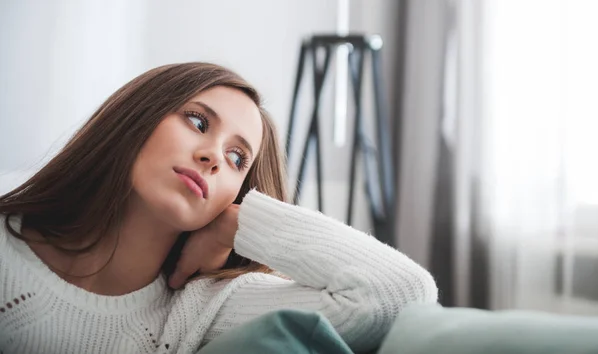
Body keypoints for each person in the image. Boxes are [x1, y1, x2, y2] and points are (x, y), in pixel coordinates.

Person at [0, 62, 438, 354]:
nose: (212, 155)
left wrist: (239, 223)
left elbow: (399, 294)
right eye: (197, 122)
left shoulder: (202, 310)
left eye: (236, 159)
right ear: (135, 117)